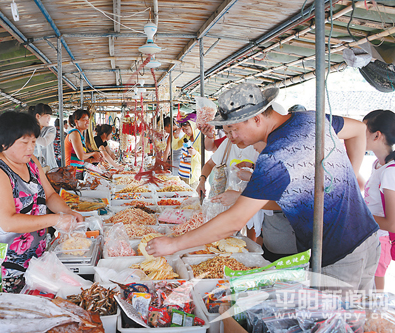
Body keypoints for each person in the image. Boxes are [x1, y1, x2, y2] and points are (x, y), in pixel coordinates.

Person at [147, 83, 380, 292]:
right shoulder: (310, 118)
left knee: (336, 323)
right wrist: (346, 175)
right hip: (368, 237)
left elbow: (234, 222)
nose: (231, 138)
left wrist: (174, 243)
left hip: (337, 253)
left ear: (257, 119)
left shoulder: (275, 157)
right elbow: (358, 129)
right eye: (226, 132)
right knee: (365, 320)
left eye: (233, 130)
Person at [0, 111, 83, 293]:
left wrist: (68, 212)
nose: (30, 148)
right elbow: (8, 222)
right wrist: (55, 220)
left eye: (33, 142)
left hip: (36, 261)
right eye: (24, 142)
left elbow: (49, 195)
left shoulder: (31, 162)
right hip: (7, 270)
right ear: (4, 143)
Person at [363, 110, 395, 291]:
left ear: (377, 135)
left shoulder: (390, 171)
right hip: (370, 237)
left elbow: (392, 224)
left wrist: (358, 215)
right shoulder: (377, 165)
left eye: (362, 131)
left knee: (373, 297)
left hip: (380, 241)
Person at [65, 109, 102, 179]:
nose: (88, 122)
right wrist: (94, 153)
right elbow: (81, 156)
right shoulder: (74, 134)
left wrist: (95, 160)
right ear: (76, 121)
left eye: (88, 119)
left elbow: (80, 160)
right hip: (71, 172)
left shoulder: (80, 136)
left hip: (77, 171)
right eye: (84, 119)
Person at [28, 103, 58, 171]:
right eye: (47, 115)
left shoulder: (50, 129)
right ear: (38, 116)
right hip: (35, 168)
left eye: (50, 116)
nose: (49, 118)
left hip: (50, 168)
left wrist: (28, 135)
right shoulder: (30, 131)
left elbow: (45, 142)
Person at [174, 114, 201, 186]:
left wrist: (195, 154)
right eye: (183, 129)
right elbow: (175, 147)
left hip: (192, 178)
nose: (185, 131)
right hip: (182, 174)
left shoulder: (201, 138)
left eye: (186, 129)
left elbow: (204, 160)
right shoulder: (186, 137)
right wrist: (176, 136)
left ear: (193, 126)